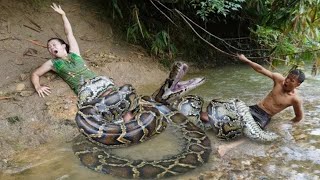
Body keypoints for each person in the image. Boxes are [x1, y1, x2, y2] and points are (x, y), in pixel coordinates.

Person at [31, 3, 133, 122]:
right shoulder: (52, 63)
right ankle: (122, 125)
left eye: (54, 44)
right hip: (85, 90)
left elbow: (69, 33)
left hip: (99, 82)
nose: (51, 47)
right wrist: (38, 86)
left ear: (63, 46)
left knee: (120, 103)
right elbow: (35, 74)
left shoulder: (74, 52)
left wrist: (63, 15)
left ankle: (129, 125)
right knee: (110, 102)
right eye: (49, 47)